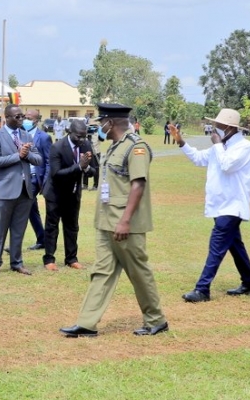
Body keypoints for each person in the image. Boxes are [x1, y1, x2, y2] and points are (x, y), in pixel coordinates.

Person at [60, 103, 167, 338]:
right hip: (107, 220)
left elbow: (138, 184)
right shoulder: (114, 147)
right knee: (101, 272)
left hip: (125, 223)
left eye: (102, 123)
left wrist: (125, 221)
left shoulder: (136, 147)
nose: (100, 127)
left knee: (139, 272)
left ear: (112, 122)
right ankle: (87, 323)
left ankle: (156, 320)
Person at [178, 109, 250, 303]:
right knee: (235, 245)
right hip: (220, 204)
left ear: (230, 128)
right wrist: (182, 142)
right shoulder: (221, 146)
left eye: (219, 126)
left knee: (216, 246)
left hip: (233, 205)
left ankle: (202, 289)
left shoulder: (244, 146)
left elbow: (227, 165)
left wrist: (217, 145)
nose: (215, 129)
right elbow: (199, 159)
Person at [0, 104, 43, 276]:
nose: (21, 119)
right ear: (7, 118)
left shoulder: (26, 135)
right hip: (4, 190)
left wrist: (26, 154)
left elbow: (38, 159)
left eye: (22, 116)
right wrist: (18, 155)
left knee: (19, 229)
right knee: (0, 229)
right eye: (17, 117)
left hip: (25, 191)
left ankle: (17, 262)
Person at [43, 120, 97, 272]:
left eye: (84, 136)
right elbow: (56, 174)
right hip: (55, 193)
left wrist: (86, 169)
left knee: (72, 227)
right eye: (78, 136)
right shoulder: (57, 147)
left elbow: (93, 170)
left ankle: (71, 258)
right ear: (69, 132)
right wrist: (79, 166)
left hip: (74, 193)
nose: (81, 140)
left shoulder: (86, 145)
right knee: (52, 226)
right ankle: (49, 259)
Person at [26, 109, 52, 251]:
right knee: (30, 208)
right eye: (25, 117)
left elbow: (49, 161)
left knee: (23, 206)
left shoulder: (43, 137)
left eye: (29, 117)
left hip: (36, 178)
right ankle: (42, 238)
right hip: (22, 176)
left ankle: (14, 244)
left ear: (36, 120)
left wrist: (45, 181)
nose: (26, 120)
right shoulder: (20, 134)